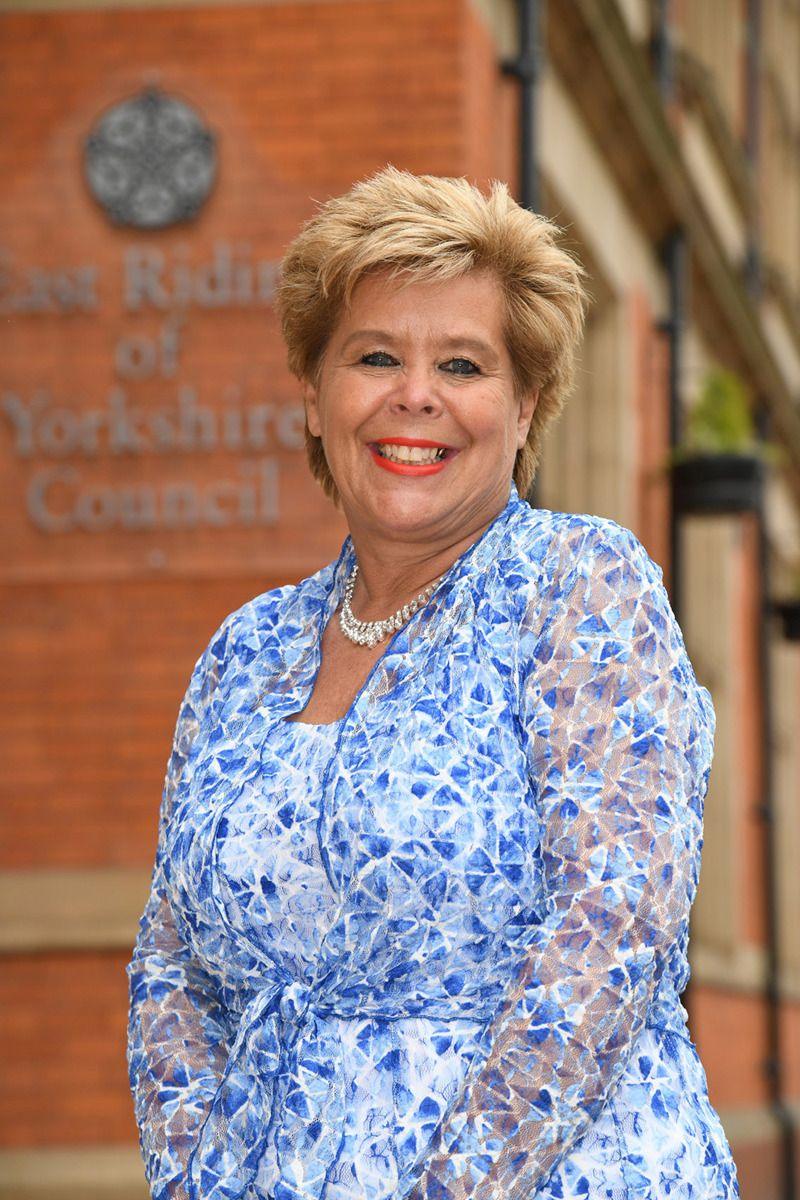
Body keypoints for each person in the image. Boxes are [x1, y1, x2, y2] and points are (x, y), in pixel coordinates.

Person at [126, 166, 741, 1200]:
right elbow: (169, 963)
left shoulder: (580, 588)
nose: (415, 395)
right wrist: (196, 1177)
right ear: (315, 401)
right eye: (373, 356)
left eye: (461, 363)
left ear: (524, 405)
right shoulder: (245, 647)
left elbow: (609, 932)